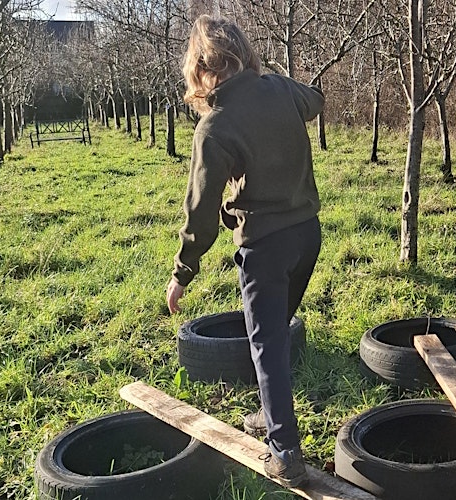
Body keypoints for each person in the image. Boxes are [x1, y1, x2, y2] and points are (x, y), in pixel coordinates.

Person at [165, 15, 324, 488]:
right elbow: (314, 99)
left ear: (200, 71)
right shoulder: (278, 89)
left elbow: (200, 210)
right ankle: (268, 413)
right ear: (244, 54)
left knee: (267, 344)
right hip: (307, 237)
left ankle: (285, 452)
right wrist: (274, 82)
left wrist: (182, 271)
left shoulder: (214, 127)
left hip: (265, 247)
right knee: (273, 332)